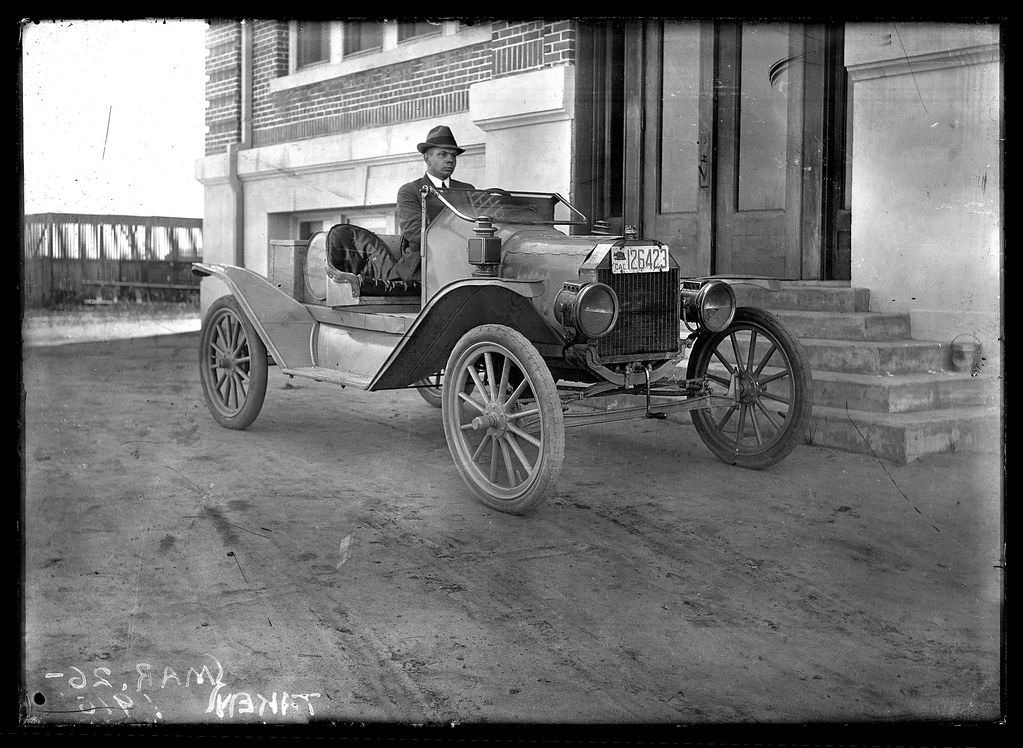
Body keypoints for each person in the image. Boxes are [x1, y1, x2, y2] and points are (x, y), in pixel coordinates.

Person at [395, 125, 476, 281]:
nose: (450, 160)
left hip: (464, 262)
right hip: (424, 264)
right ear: (427, 158)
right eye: (442, 154)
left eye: (453, 155)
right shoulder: (410, 191)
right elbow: (414, 231)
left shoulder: (467, 190)